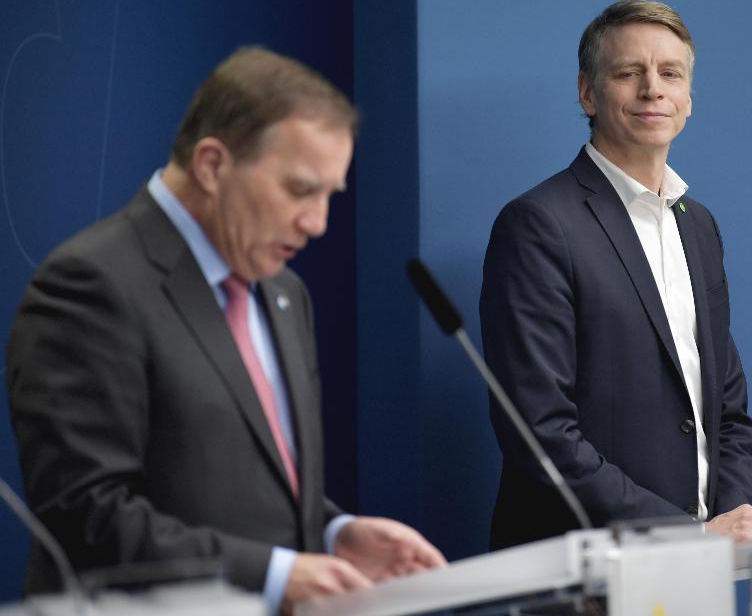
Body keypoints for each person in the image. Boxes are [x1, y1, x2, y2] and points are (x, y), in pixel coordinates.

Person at [6, 46, 445, 614]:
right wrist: (274, 575)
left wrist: (333, 532)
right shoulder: (91, 284)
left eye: (328, 196)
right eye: (300, 189)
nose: (317, 223)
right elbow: (87, 515)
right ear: (212, 165)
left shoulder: (284, 291)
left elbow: (249, 485)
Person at [480, 0, 752, 549]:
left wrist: (732, 516)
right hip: (584, 569)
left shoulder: (699, 226)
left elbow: (728, 409)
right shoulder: (539, 224)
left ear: (689, 99)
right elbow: (540, 433)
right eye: (628, 73)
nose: (652, 90)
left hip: (700, 565)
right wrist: (686, 535)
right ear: (588, 93)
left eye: (671, 74)